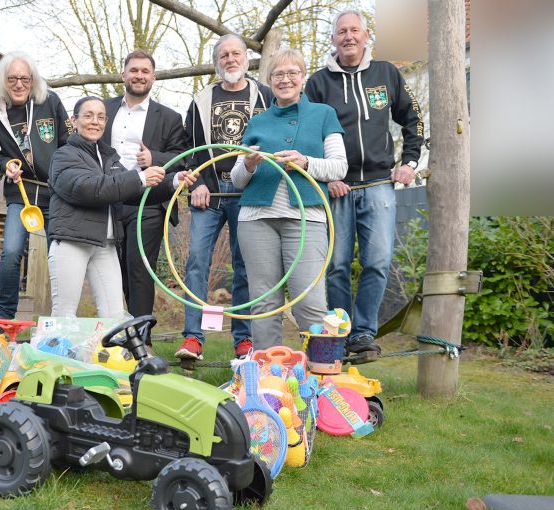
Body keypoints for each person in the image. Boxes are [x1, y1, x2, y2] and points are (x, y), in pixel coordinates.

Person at [304, 10, 424, 355]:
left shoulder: (387, 73)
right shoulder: (318, 83)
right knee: (337, 264)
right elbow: (308, 136)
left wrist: (410, 161)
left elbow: (412, 119)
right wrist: (326, 177)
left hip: (378, 185)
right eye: (341, 32)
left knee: (378, 260)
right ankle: (340, 333)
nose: (348, 37)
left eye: (354, 30)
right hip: (337, 188)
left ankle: (364, 333)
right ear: (333, 40)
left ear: (366, 34)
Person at [229, 49, 348, 350]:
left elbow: (339, 167)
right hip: (257, 219)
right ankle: (269, 375)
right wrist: (249, 164)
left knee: (309, 301)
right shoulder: (257, 122)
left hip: (306, 218)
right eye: (278, 74)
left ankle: (321, 372)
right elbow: (236, 178)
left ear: (303, 77)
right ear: (269, 81)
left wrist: (305, 161)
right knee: (264, 303)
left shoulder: (323, 115)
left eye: (292, 73)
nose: (286, 79)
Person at [174, 34, 275, 361]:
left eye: (236, 54)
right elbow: (187, 148)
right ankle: (193, 338)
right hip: (211, 191)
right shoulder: (201, 99)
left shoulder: (265, 96)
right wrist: (197, 183)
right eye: (223, 55)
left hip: (251, 191)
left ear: (246, 58)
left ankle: (243, 340)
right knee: (196, 263)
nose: (230, 59)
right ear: (217, 63)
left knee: (245, 265)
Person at [48, 97, 191, 318]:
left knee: (114, 315)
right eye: (88, 116)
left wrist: (172, 181)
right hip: (71, 242)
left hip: (105, 245)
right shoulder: (64, 155)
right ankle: (52, 353)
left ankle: (108, 353)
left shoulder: (109, 158)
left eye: (101, 117)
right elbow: (91, 189)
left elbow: (131, 190)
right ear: (74, 121)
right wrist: (140, 177)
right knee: (64, 314)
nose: (95, 122)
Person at [0, 51, 72, 329]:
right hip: (20, 194)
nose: (19, 84)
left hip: (54, 194)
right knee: (10, 251)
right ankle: (4, 316)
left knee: (59, 254)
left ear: (32, 79)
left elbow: (69, 142)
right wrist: (6, 164)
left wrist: (66, 180)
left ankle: (61, 318)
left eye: (24, 78)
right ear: (3, 81)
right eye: (12, 79)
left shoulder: (50, 101)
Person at [102, 50, 187, 345]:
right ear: (123, 74)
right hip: (108, 201)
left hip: (147, 203)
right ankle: (115, 337)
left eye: (145, 71)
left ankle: (142, 342)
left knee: (140, 270)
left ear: (154, 77)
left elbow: (182, 159)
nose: (139, 75)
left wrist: (155, 158)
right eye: (134, 70)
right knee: (112, 270)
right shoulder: (103, 109)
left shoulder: (170, 118)